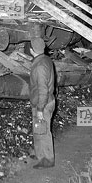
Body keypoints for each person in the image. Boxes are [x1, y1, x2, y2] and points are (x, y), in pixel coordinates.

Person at [29, 37, 56, 169]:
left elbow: (43, 90)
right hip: (47, 101)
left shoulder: (39, 66)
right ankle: (41, 155)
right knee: (39, 130)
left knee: (43, 132)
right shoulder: (46, 59)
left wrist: (39, 109)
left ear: (31, 50)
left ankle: (48, 160)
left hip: (43, 103)